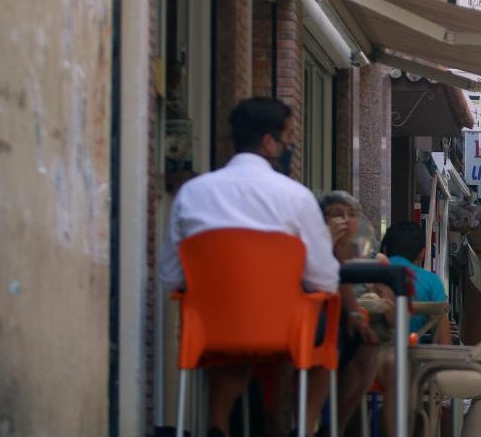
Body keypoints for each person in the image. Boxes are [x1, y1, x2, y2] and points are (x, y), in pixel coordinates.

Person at [158, 97, 340, 437]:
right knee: (327, 337)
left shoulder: (191, 194)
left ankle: (218, 424)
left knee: (232, 342)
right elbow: (325, 279)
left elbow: (170, 277)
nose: (289, 147)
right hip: (283, 330)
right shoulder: (296, 197)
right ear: (269, 142)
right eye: (287, 139)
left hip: (213, 327)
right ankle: (300, 428)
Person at [373, 220, 452, 435]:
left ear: (385, 249)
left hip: (363, 360)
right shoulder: (432, 282)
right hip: (414, 367)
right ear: (422, 253)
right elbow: (444, 342)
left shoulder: (369, 272)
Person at [317, 190, 384, 434]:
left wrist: (358, 313)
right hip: (311, 324)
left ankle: (335, 427)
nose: (345, 220)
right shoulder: (316, 246)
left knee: (368, 347)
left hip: (343, 325)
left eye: (351, 214)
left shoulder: (368, 257)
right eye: (336, 214)